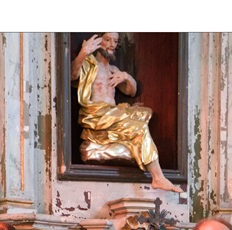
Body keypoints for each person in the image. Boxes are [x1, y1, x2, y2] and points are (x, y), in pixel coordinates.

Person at [71, 32, 183, 193]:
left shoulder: (113, 69)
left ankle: (133, 147)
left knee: (145, 112)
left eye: (115, 41)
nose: (112, 44)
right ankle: (158, 177)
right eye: (107, 39)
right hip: (97, 116)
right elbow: (72, 75)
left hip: (112, 114)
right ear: (98, 41)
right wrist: (83, 53)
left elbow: (131, 91)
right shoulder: (89, 64)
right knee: (140, 127)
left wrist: (126, 77)